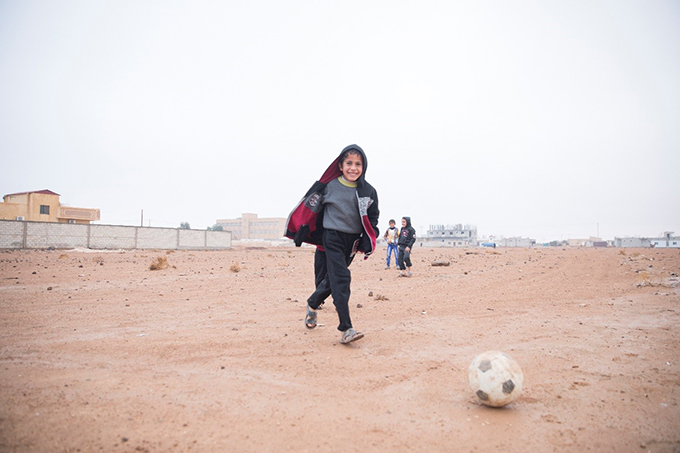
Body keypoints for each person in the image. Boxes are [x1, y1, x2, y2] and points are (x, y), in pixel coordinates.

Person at [284, 144, 379, 344]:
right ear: (341, 165)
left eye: (358, 164)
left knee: (332, 280)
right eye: (349, 163)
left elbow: (373, 219)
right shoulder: (329, 186)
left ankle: (312, 303)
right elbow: (310, 207)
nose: (353, 168)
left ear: (364, 166)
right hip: (331, 237)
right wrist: (302, 228)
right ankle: (346, 328)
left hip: (351, 242)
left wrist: (370, 237)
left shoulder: (368, 191)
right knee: (342, 278)